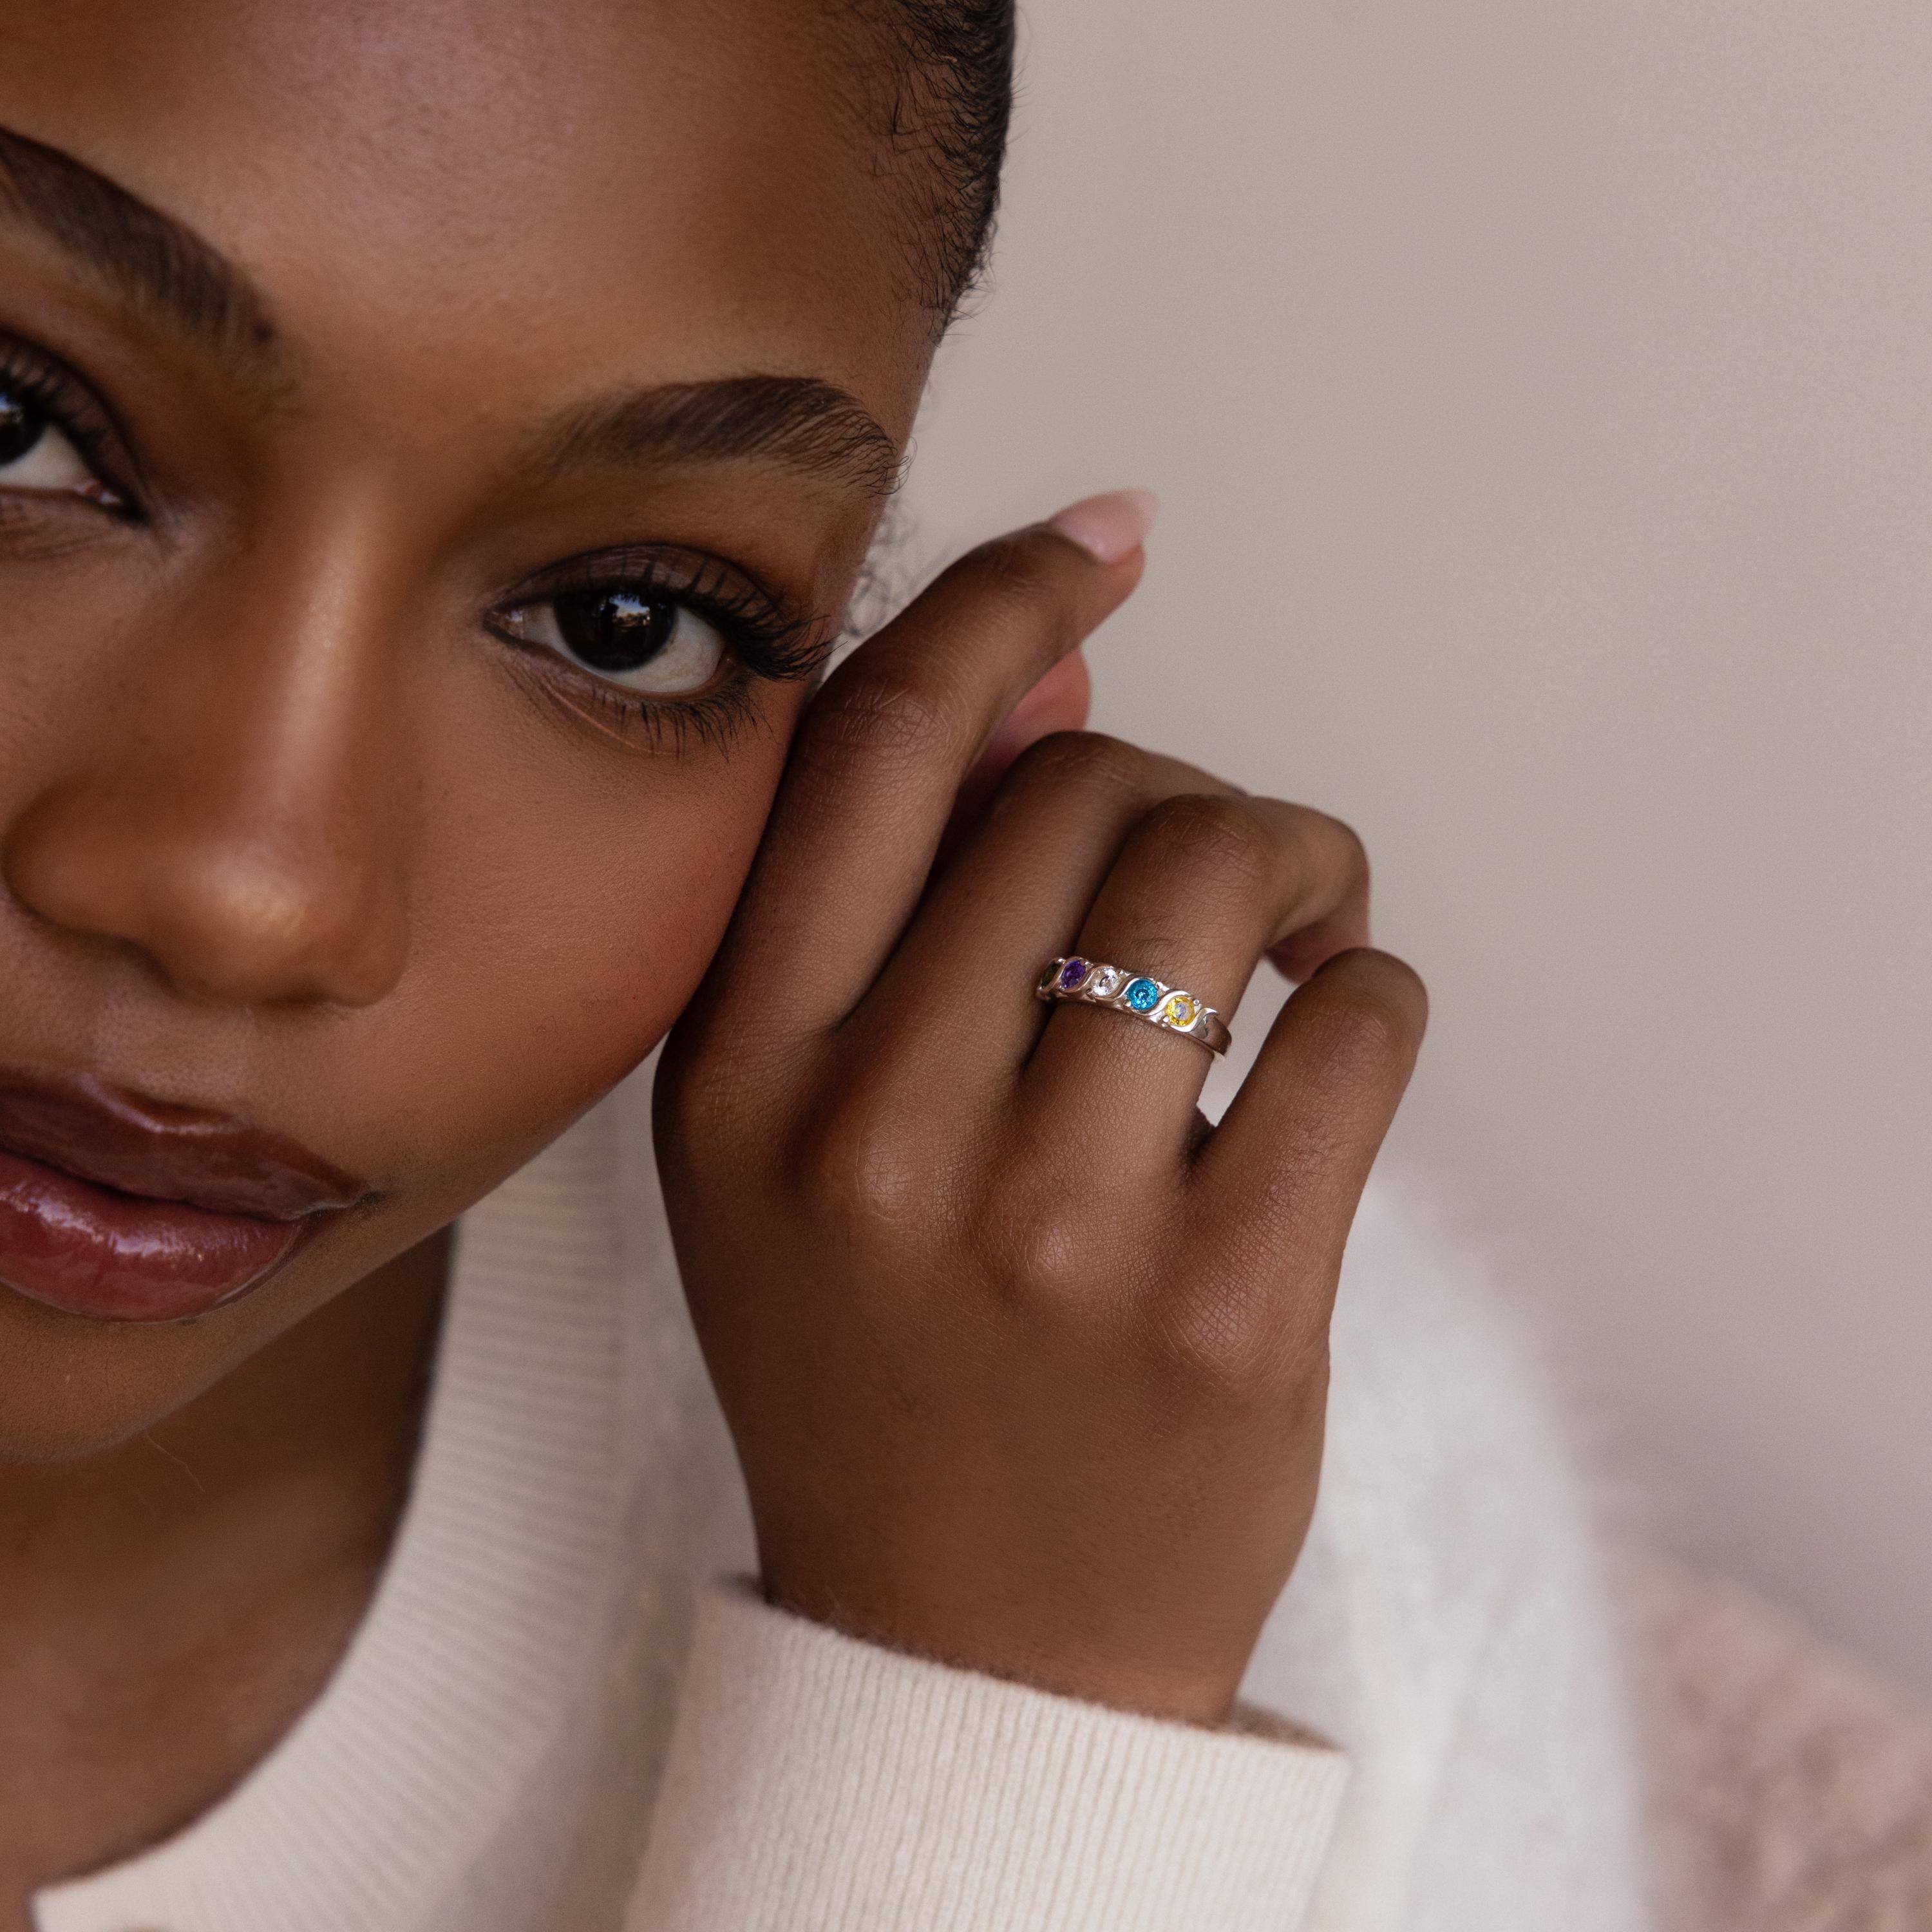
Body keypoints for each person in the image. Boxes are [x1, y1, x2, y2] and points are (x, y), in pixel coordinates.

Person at [0, 5, 1651, 1928]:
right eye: (18, 429)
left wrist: (1010, 1736)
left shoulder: (1224, 1475)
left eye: (628, 622)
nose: (253, 897)